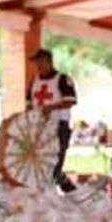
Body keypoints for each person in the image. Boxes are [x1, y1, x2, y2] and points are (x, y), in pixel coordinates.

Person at [25, 48, 77, 193]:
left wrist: (50, 108)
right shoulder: (34, 80)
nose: (37, 66)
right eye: (36, 63)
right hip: (39, 127)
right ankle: (66, 189)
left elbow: (70, 101)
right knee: (42, 162)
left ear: (48, 62)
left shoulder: (62, 79)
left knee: (56, 161)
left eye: (40, 62)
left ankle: (52, 192)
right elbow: (29, 103)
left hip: (58, 125)